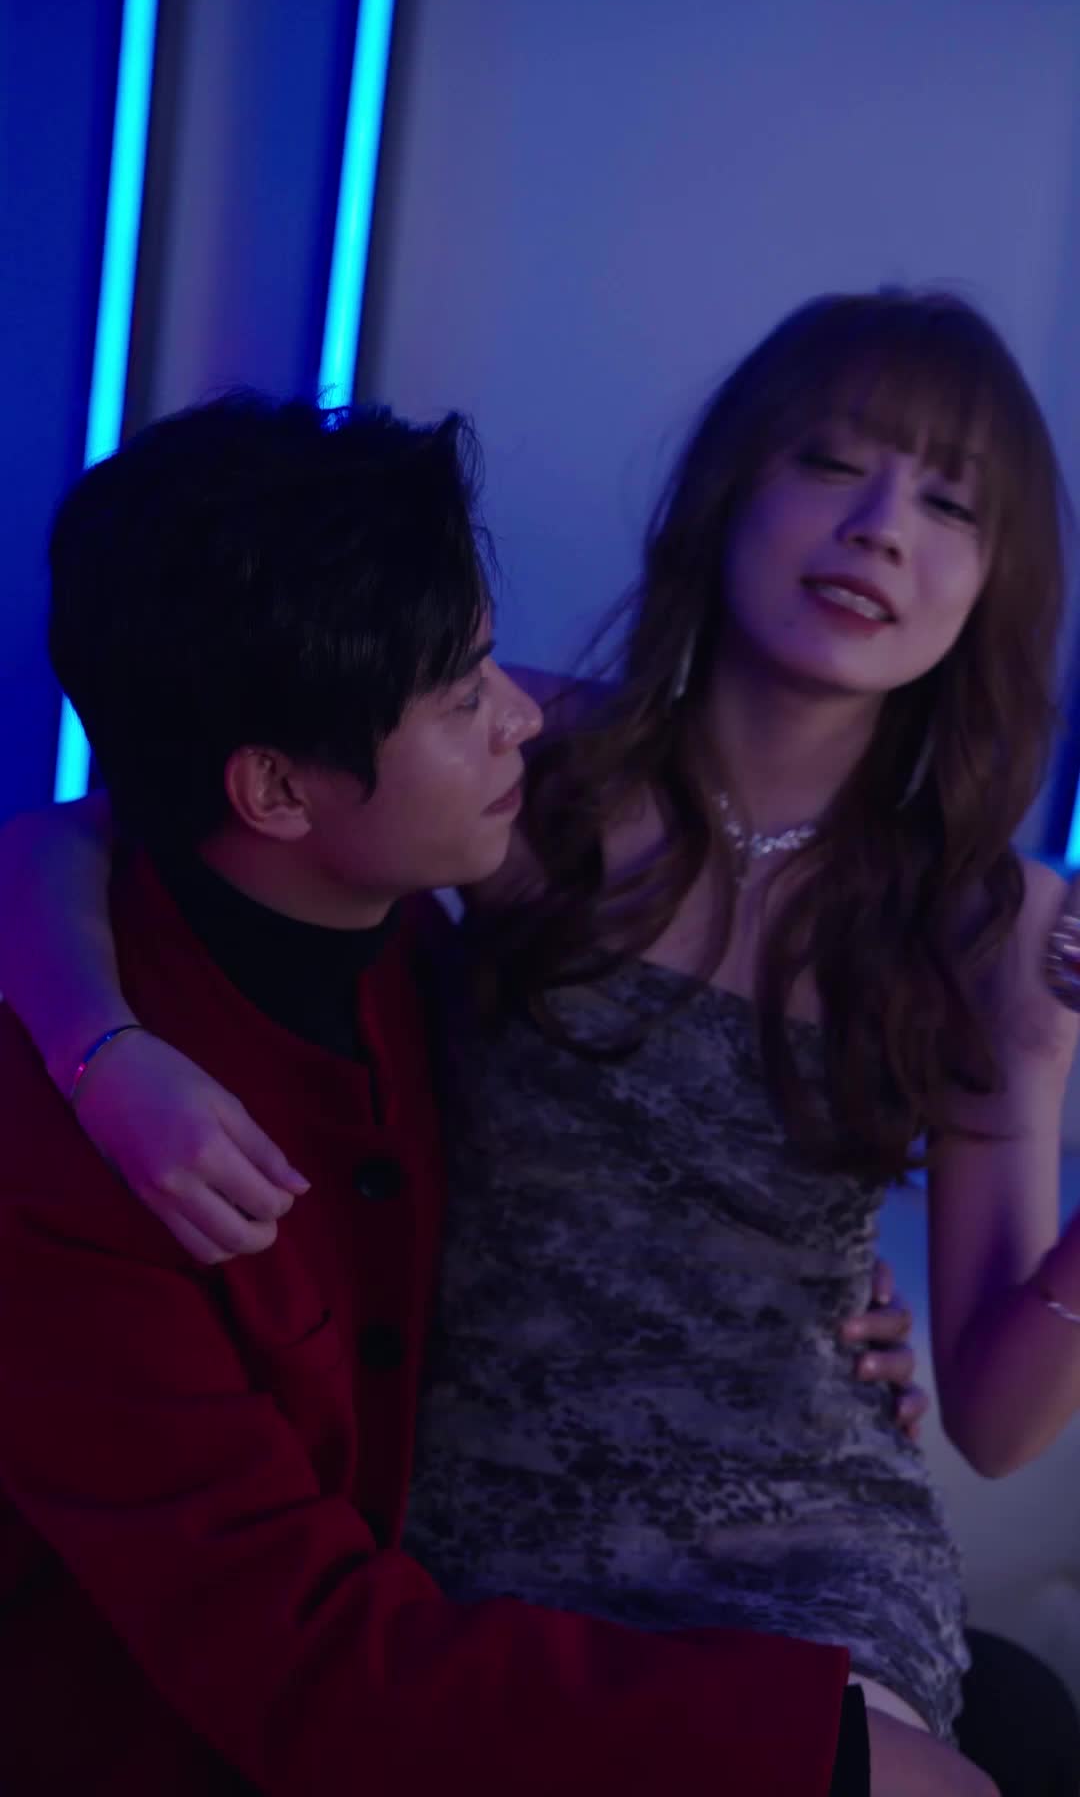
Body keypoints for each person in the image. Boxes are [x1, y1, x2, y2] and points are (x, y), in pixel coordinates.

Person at [0, 389, 986, 1797]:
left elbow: (72, 835)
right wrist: (812, 1753)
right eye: (466, 697)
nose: (524, 716)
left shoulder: (413, 939)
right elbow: (306, 1669)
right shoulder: (68, 1163)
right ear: (276, 790)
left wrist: (796, 1310)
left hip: (515, 1608)